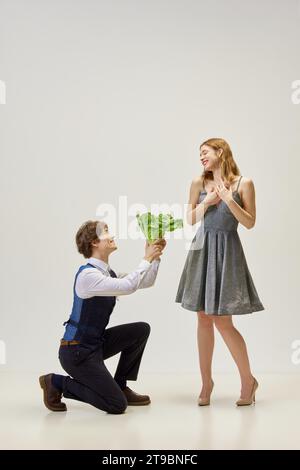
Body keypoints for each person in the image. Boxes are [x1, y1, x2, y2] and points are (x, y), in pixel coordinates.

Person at [39, 220, 166, 414]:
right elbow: (128, 287)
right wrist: (146, 259)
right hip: (77, 353)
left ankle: (120, 385)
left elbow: (145, 281)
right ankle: (58, 382)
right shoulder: (88, 276)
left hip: (95, 345)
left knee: (140, 330)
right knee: (116, 405)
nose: (111, 235)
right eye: (106, 232)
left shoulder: (108, 273)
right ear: (94, 242)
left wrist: (155, 256)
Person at [175, 138, 264, 406]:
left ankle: (248, 381)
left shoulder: (243, 183)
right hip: (202, 249)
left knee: (223, 321)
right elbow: (189, 218)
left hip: (228, 250)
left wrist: (228, 199)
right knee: (202, 318)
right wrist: (210, 201)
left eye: (205, 152)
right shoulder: (198, 183)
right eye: (199, 154)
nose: (201, 157)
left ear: (220, 152)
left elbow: (249, 222)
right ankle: (206, 382)